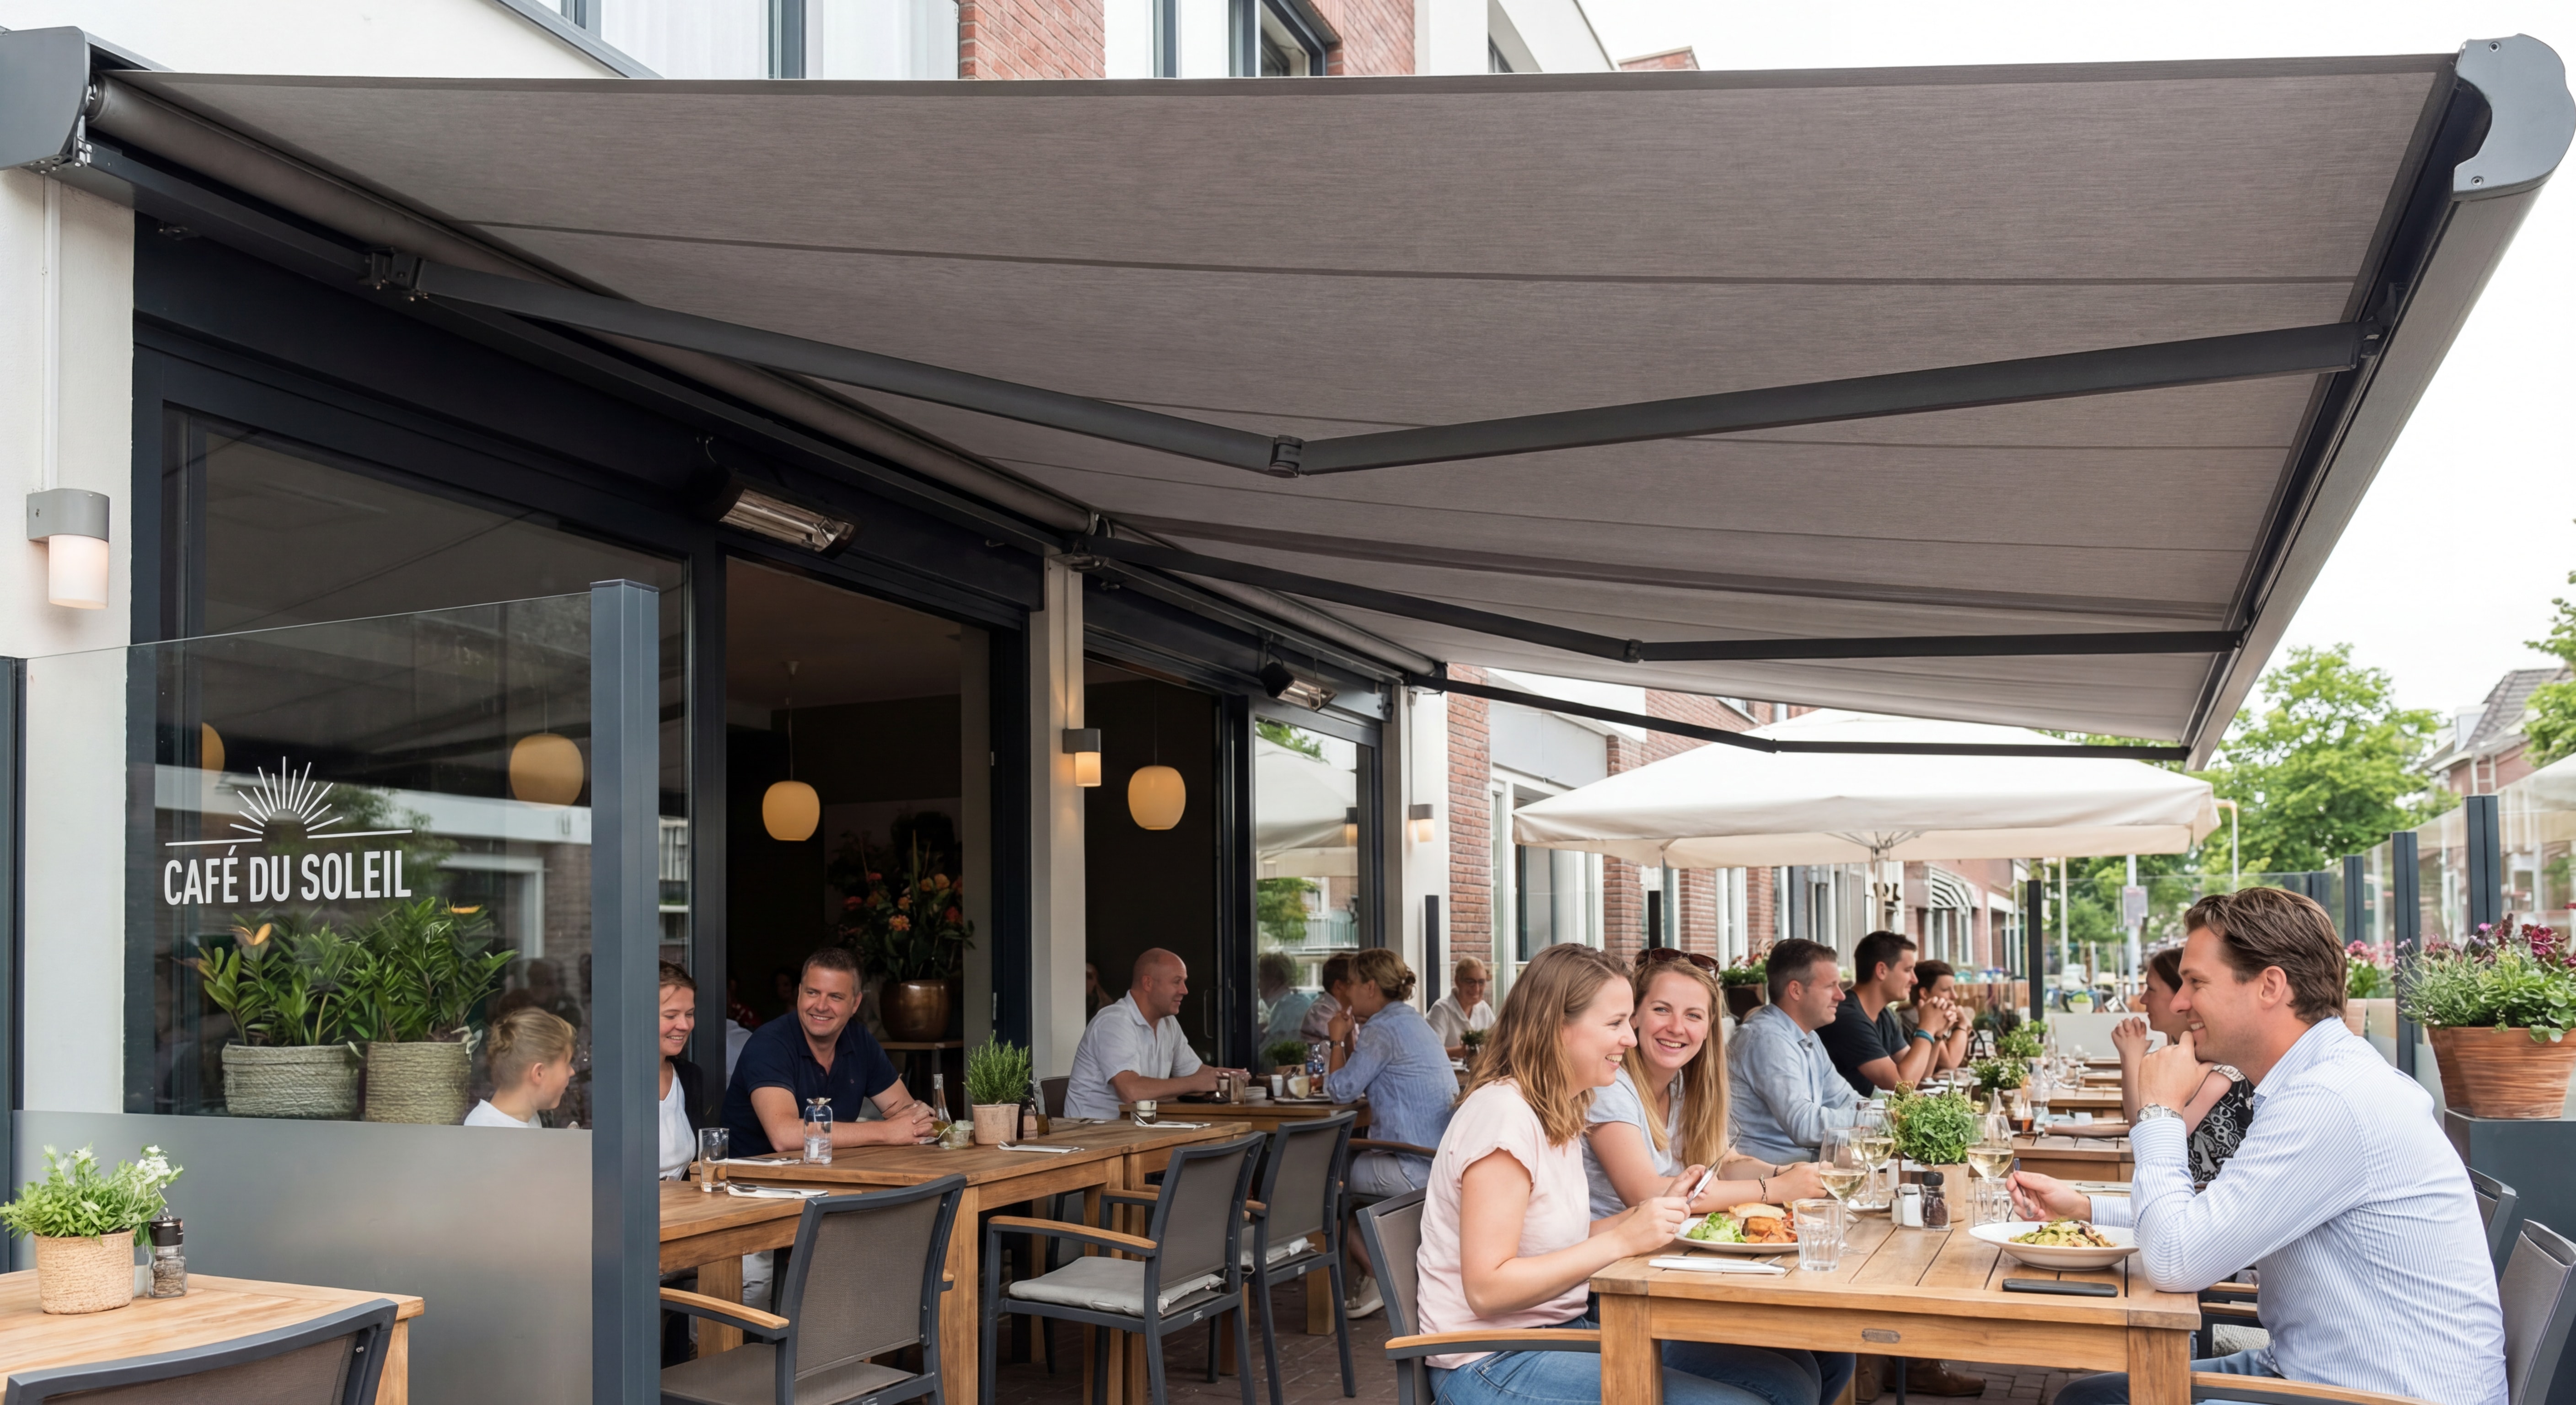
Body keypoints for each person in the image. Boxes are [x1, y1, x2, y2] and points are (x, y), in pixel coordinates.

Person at [2015, 887, 2506, 1405]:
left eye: (2195, 983)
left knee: (2091, 1401)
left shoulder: (2329, 1099)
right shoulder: (2321, 1080)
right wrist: (2088, 1210)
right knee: (2095, 1397)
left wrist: (2159, 1110)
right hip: (2320, 1374)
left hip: (2375, 1395)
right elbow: (2221, 1216)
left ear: (2270, 985)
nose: (2181, 1003)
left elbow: (2175, 1260)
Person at [1414, 943, 1835, 1405]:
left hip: (1559, 1328)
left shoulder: (1556, 1109)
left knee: (1789, 1383)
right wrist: (1621, 1240)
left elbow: (1554, 1238)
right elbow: (1487, 1289)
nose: (1630, 1039)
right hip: (1492, 1359)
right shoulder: (1502, 1117)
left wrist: (1645, 1216)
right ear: (1557, 1027)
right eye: (1615, 1024)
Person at [1321, 948, 1459, 1320]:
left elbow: (1340, 1091)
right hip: (1434, 1160)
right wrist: (1352, 1036)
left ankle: (1375, 1275)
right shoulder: (1410, 1021)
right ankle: (1379, 1269)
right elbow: (1359, 1080)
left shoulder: (1382, 1028)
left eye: (1349, 985)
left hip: (1410, 1164)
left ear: (1368, 987)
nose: (1345, 993)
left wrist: (1335, 1039)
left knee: (1318, 1185)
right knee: (1340, 1173)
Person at [722, 947, 938, 1157]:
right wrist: (886, 1131)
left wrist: (916, 1122)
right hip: (753, 1184)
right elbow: (784, 1136)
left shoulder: (859, 1040)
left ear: (855, 1004)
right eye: (813, 993)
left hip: (828, 1177)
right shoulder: (770, 1044)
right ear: (799, 994)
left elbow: (909, 1117)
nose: (821, 1006)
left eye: (835, 997)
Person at [2114, 945, 2252, 1189]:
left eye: (2152, 989)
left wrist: (2131, 1056)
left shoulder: (2220, 1066)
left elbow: (2147, 1134)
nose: (2144, 999)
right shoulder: (2188, 1057)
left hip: (2204, 1211)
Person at [1064, 949, 1248, 1119]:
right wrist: (1196, 1082)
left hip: (1138, 1131)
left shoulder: (1168, 1022)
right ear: (1148, 983)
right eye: (1177, 981)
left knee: (1224, 1138)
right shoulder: (1114, 1022)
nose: (1185, 991)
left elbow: (1195, 1073)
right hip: (1092, 1138)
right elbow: (1131, 1091)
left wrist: (1227, 1077)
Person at [1726, 939, 1860, 1165]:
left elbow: (1846, 1099)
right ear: (1796, 990)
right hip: (1767, 1184)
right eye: (1830, 986)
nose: (1841, 995)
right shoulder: (1767, 1039)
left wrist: (1889, 1112)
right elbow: (1804, 1126)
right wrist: (1876, 1119)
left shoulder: (1808, 1037)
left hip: (1803, 1174)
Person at [1817, 930, 1958, 1095]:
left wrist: (1937, 1035)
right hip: (1840, 1119)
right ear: (1882, 971)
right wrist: (1926, 1028)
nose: (1915, 979)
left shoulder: (1885, 1015)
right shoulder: (1847, 1018)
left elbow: (1922, 1073)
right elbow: (1901, 1086)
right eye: (1908, 970)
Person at [466, 1008, 577, 1128]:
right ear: (539, 1073)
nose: (572, 1072)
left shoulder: (531, 1118)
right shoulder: (487, 1130)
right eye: (566, 1065)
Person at [657, 962, 708, 1179]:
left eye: (689, 1014)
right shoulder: (609, 1084)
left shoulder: (690, 1077)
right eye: (671, 1016)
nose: (685, 1025)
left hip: (683, 1209)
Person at [1897, 960, 1973, 1074]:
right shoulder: (1913, 1020)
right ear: (1924, 994)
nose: (1955, 996)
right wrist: (1962, 1025)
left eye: (1954, 989)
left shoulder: (1914, 1016)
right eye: (1946, 990)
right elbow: (1949, 1063)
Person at [1427, 955, 1497, 1056]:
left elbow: (1498, 1042)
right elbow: (1430, 1051)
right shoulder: (1441, 1010)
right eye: (1470, 982)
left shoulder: (1484, 1009)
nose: (1477, 989)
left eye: (1481, 982)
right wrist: (1460, 1052)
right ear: (1457, 981)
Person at [1258, 952, 1316, 1047]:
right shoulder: (1295, 1002)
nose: (1258, 985)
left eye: (1260, 978)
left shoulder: (1285, 1008)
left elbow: (1268, 1055)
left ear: (1272, 982)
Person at [1299, 952, 1355, 1042]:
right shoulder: (1320, 1011)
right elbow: (1337, 1045)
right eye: (1355, 982)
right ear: (1339, 985)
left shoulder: (1351, 1011)